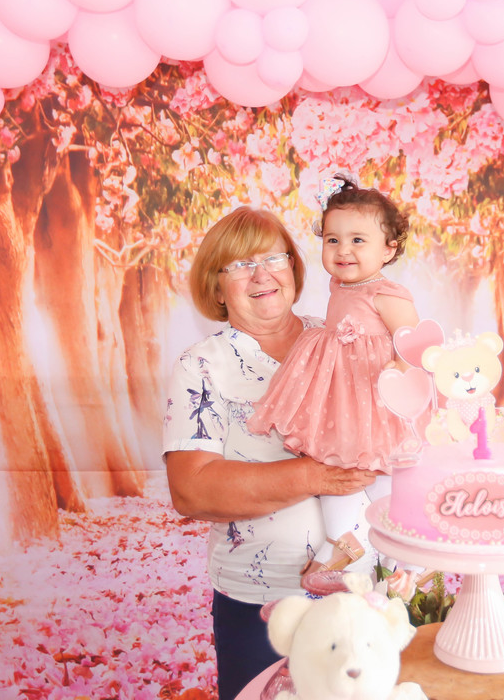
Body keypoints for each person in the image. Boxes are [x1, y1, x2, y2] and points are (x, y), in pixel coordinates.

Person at [163, 206, 380, 700]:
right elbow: (191, 490)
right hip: (259, 606)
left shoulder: (340, 338)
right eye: (240, 265)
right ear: (217, 287)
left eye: (273, 258)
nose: (261, 275)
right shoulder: (202, 367)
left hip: (362, 595)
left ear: (293, 268)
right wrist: (314, 476)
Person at [247, 176, 421, 577]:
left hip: (375, 397)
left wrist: (402, 365)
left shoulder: (386, 293)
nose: (343, 250)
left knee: (383, 473)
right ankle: (344, 540)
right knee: (333, 467)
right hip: (341, 397)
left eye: (358, 240)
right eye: (332, 240)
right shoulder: (340, 285)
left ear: (389, 248)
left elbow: (413, 340)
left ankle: (404, 553)